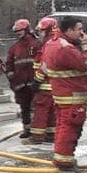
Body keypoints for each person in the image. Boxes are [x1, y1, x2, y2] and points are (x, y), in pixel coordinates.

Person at [42, 16, 87, 173]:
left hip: (61, 96)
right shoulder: (66, 48)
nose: (82, 33)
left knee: (62, 127)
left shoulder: (51, 43)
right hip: (73, 97)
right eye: (79, 29)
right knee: (70, 129)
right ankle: (66, 165)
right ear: (69, 30)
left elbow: (44, 68)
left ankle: (62, 160)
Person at [23, 17, 58, 145]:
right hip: (54, 86)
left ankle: (36, 137)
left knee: (40, 111)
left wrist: (37, 81)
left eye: (42, 31)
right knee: (52, 112)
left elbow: (45, 65)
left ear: (48, 30)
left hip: (44, 86)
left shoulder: (48, 45)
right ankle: (51, 134)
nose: (40, 34)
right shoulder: (57, 43)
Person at [5, 19, 41, 138]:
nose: (18, 33)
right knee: (24, 108)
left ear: (26, 30)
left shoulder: (37, 44)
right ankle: (27, 129)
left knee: (36, 107)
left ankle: (38, 130)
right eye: (16, 31)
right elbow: (9, 63)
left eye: (19, 31)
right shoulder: (14, 47)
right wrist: (11, 77)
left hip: (35, 82)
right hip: (21, 84)